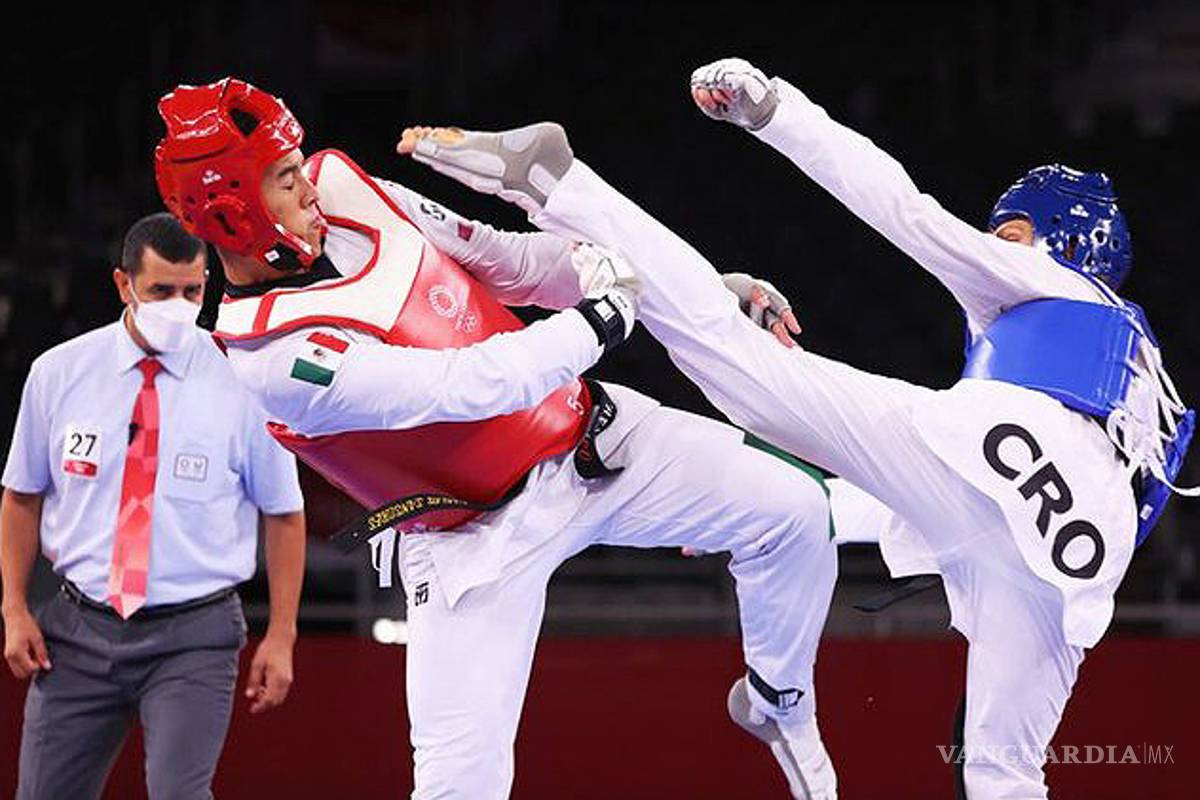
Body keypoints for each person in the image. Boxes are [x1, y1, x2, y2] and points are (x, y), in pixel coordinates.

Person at [400, 56, 1194, 799]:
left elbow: (903, 210)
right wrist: (756, 503)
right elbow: (963, 505)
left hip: (1004, 462)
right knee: (1004, 774)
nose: (995, 246)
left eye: (1012, 232)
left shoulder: (1053, 280)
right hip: (1077, 568)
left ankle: (560, 181)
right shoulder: (1141, 371)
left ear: (1067, 240)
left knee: (742, 365)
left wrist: (778, 112)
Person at [152, 78, 841, 800]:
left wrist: (695, 290)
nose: (309, 190)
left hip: (589, 435)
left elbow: (507, 261)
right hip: (470, 546)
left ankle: (775, 698)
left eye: (298, 166)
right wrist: (601, 322)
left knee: (795, 514)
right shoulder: (269, 355)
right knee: (460, 789)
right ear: (232, 214)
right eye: (285, 181)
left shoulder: (343, 183)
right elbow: (466, 385)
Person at [1, 212, 307, 800]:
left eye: (192, 291)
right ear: (124, 285)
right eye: (160, 291)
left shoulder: (241, 376)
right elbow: (21, 496)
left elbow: (285, 512)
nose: (179, 305)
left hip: (194, 633)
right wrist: (14, 607)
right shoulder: (58, 373)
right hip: (78, 627)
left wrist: (283, 634)